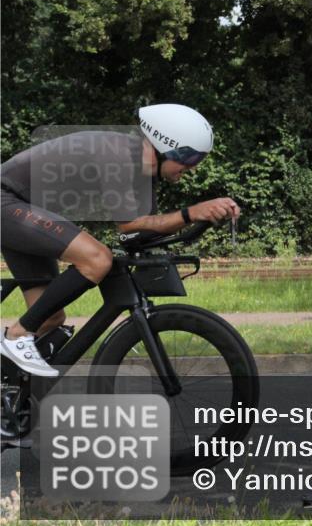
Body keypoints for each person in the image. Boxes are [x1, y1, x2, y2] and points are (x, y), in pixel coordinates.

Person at [0, 104, 241, 377]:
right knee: (96, 258)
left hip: (24, 212)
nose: (193, 167)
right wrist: (191, 213)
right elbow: (129, 225)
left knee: (50, 319)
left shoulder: (143, 170)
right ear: (165, 146)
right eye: (190, 157)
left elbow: (139, 234)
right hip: (7, 201)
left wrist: (204, 219)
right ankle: (16, 336)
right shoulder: (119, 156)